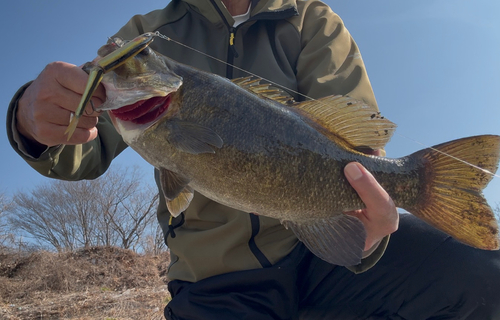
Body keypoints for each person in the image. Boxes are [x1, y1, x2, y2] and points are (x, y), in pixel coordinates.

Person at [6, 0, 500, 319]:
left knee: (483, 275)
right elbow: (81, 149)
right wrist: (31, 119)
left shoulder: (314, 21)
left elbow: (356, 137)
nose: (117, 64)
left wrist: (379, 198)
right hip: (216, 278)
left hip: (323, 255)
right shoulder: (144, 37)